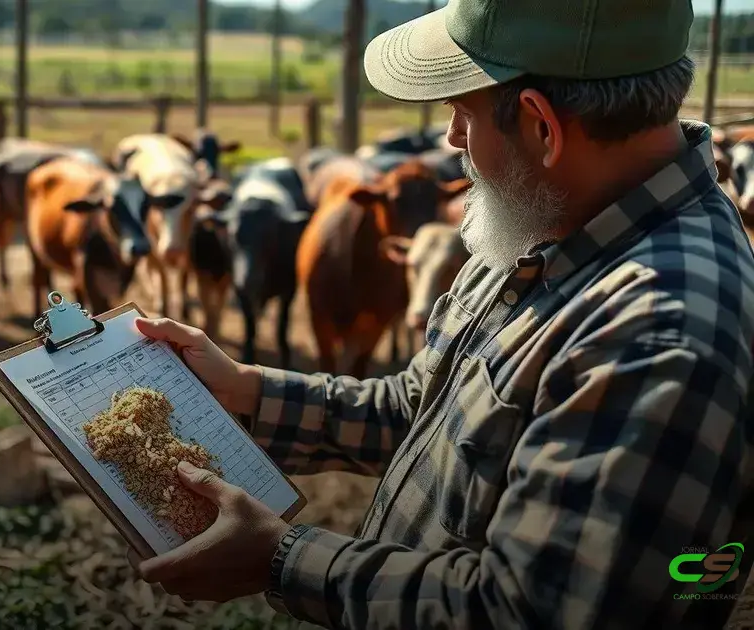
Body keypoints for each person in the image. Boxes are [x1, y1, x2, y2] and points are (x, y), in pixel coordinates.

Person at [123, 0, 754, 628]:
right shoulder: (550, 222)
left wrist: (279, 560)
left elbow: (532, 611)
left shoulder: (657, 337)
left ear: (539, 126)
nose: (451, 138)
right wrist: (246, 392)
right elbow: (424, 407)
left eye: (461, 111)